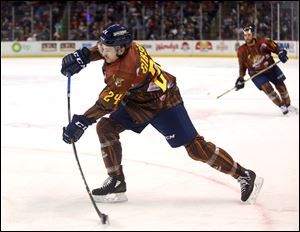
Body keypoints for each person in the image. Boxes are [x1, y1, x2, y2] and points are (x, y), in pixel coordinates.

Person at [61, 24, 263, 204]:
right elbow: (104, 49)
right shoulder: (124, 48)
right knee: (106, 128)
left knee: (196, 149)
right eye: (101, 45)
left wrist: (81, 122)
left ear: (121, 50)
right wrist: (85, 56)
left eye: (106, 48)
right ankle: (116, 181)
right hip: (137, 100)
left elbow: (105, 104)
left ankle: (244, 175)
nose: (102, 50)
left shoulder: (124, 72)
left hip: (163, 102)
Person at [235, 25, 298, 115]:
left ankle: (288, 105)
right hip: (256, 73)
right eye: (245, 35)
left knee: (281, 87)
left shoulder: (263, 42)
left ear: (253, 34)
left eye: (249, 35)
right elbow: (242, 67)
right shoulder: (241, 50)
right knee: (267, 88)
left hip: (270, 67)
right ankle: (282, 106)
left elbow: (277, 48)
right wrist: (241, 78)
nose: (247, 37)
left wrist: (281, 54)